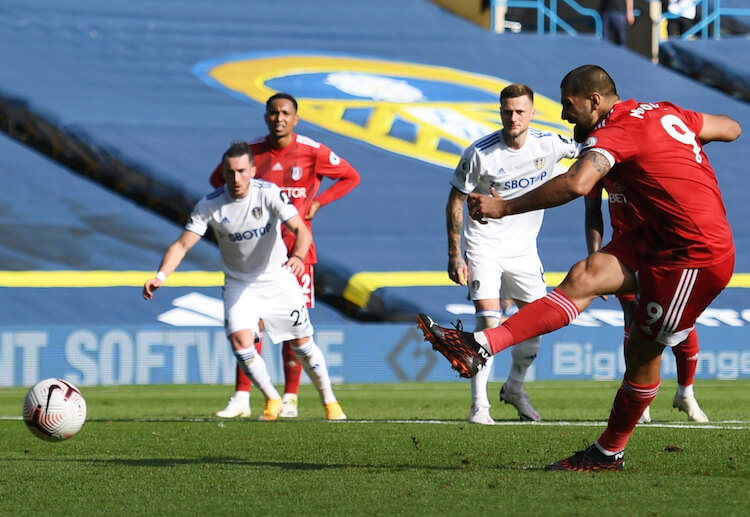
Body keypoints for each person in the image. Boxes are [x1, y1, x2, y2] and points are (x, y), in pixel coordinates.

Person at [417, 64, 740, 471]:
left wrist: (503, 207)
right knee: (584, 276)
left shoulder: (615, 133)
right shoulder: (665, 113)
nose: (565, 116)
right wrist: (675, 149)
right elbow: (731, 128)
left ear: (594, 100)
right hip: (658, 234)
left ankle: (608, 453)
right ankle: (480, 345)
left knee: (642, 354)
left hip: (693, 252)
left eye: (569, 106)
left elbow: (576, 183)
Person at [144, 142, 347, 422]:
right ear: (223, 173)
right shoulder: (210, 205)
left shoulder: (268, 193)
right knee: (241, 343)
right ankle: (272, 398)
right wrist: (161, 276)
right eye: (230, 172)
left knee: (302, 344)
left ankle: (330, 401)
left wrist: (299, 256)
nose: (236, 178)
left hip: (278, 280)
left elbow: (300, 229)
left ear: (252, 170)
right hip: (240, 285)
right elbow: (181, 245)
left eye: (241, 171)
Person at [210, 93, 360, 419]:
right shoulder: (250, 153)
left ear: (296, 118)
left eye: (285, 113)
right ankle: (242, 397)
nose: (279, 118)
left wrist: (319, 202)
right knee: (250, 326)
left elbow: (350, 176)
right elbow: (216, 179)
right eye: (273, 113)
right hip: (255, 254)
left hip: (296, 251)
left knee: (295, 328)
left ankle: (291, 397)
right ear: (266, 116)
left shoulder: (312, 151)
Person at [446, 83, 579, 425]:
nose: (513, 117)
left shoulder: (551, 144)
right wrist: (455, 255)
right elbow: (456, 200)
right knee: (488, 321)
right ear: (500, 112)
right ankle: (479, 405)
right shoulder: (480, 153)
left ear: (532, 112)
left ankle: (515, 388)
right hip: (484, 245)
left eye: (520, 111)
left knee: (536, 324)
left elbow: (591, 152)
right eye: (507, 111)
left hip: (524, 251)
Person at [584, 181, 709, 423]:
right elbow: (592, 210)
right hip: (626, 252)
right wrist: (594, 258)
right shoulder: (599, 164)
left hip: (664, 249)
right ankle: (638, 398)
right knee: (632, 319)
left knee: (680, 322)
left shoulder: (652, 161)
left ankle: (685, 393)